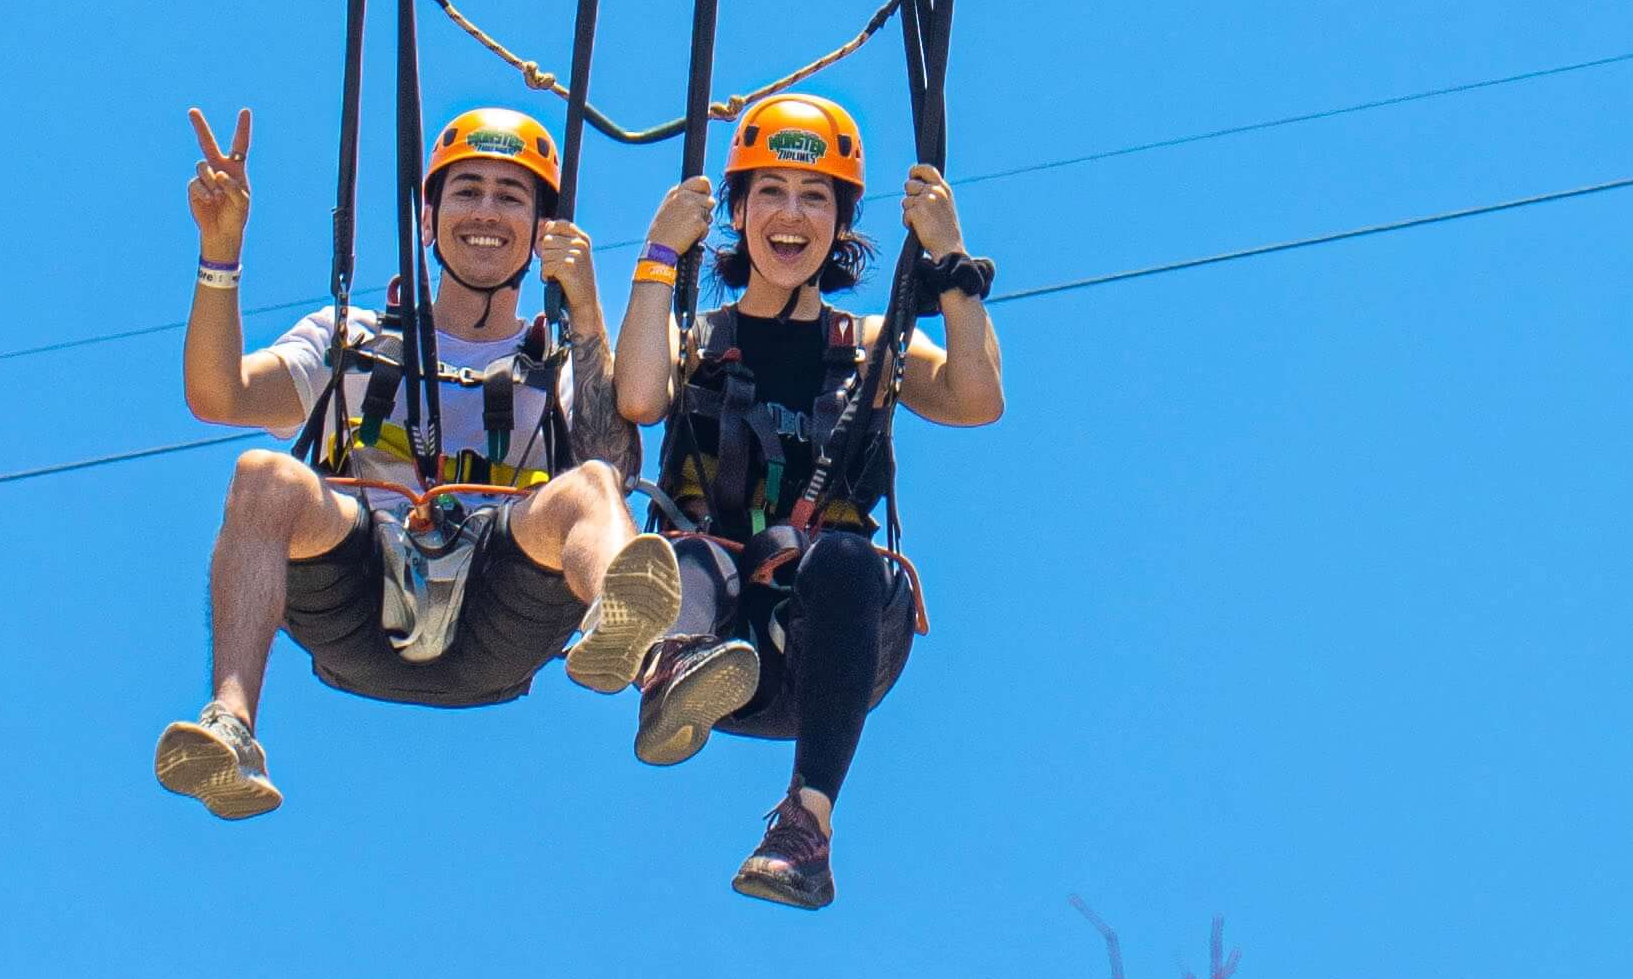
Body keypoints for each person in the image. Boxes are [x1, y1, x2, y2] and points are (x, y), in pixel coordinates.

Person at [153, 101, 683, 819]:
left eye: (510, 196)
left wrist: (587, 317)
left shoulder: (557, 361)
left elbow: (614, 472)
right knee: (262, 473)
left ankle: (649, 663)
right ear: (429, 220)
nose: (486, 211)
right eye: (466, 191)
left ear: (539, 233)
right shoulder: (352, 341)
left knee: (587, 485)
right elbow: (219, 395)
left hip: (500, 612)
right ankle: (231, 722)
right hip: (359, 598)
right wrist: (220, 253)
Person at [611, 90, 1004, 910]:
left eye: (814, 198)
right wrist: (658, 255)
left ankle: (807, 828)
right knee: (684, 553)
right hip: (721, 632)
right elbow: (641, 397)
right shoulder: (697, 342)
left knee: (849, 559)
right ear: (740, 211)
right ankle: (672, 672)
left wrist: (950, 261)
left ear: (841, 222)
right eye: (772, 195)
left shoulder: (868, 346)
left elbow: (978, 398)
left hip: (835, 634)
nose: (791, 218)